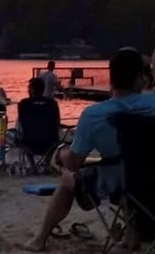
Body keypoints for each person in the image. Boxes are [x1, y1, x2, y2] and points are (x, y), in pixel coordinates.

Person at [24, 47, 155, 252]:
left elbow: (75, 162)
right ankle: (132, 236)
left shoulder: (95, 115)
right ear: (141, 78)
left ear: (112, 79)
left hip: (118, 184)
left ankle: (39, 240)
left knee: (69, 178)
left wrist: (61, 153)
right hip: (150, 184)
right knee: (131, 168)